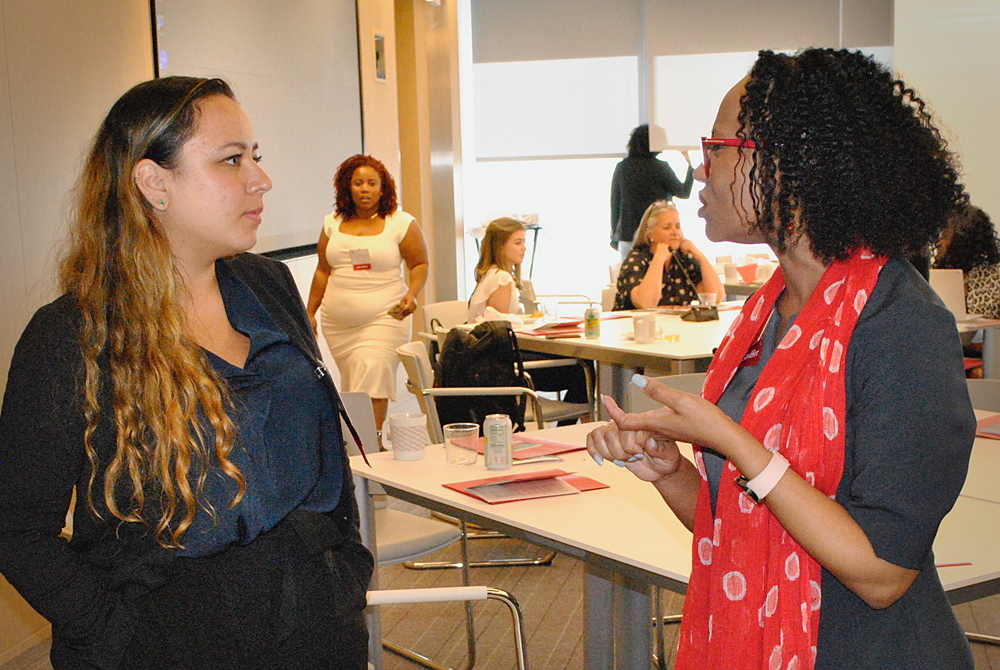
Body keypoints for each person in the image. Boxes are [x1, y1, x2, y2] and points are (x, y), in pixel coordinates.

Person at [588, 49, 975, 669]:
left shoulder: (900, 324)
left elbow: (882, 573)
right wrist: (672, 473)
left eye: (716, 148)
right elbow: (742, 522)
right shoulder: (764, 317)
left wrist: (734, 443)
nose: (701, 169)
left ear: (788, 165)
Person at [0, 77, 373, 670]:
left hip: (315, 629)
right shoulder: (71, 336)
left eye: (256, 157)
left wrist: (345, 572)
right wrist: (117, 636)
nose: (260, 179)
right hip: (168, 644)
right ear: (153, 183)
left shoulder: (269, 287)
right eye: (231, 160)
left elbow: (322, 453)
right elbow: (17, 528)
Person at [307, 154, 429, 432]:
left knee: (372, 369)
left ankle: (369, 442)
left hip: (385, 318)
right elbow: (323, 271)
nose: (365, 189)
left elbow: (419, 263)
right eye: (358, 183)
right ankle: (361, 443)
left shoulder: (400, 223)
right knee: (356, 383)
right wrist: (309, 312)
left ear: (383, 187)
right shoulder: (333, 223)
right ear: (347, 187)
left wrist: (412, 293)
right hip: (340, 326)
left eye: (372, 183)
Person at [467, 217, 591, 419]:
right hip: (504, 367)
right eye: (518, 242)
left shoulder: (490, 275)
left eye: (524, 242)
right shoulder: (502, 278)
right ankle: (570, 429)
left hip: (491, 363)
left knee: (578, 366)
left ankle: (566, 428)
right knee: (581, 369)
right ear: (500, 246)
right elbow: (499, 334)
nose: (524, 248)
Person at [612, 200, 724, 310]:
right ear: (650, 234)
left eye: (678, 227)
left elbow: (716, 297)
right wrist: (659, 258)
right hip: (635, 326)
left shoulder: (683, 258)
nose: (675, 232)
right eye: (667, 227)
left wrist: (700, 256)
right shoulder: (636, 259)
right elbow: (646, 303)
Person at [610, 124, 694, 261]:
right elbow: (684, 192)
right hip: (657, 236)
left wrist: (615, 235)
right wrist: (690, 165)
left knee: (631, 278)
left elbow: (615, 205)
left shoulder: (622, 167)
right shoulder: (660, 167)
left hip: (627, 235)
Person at [934, 204, 1000, 319]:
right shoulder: (936, 276)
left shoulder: (994, 277)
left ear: (962, 239)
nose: (938, 243)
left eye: (945, 235)